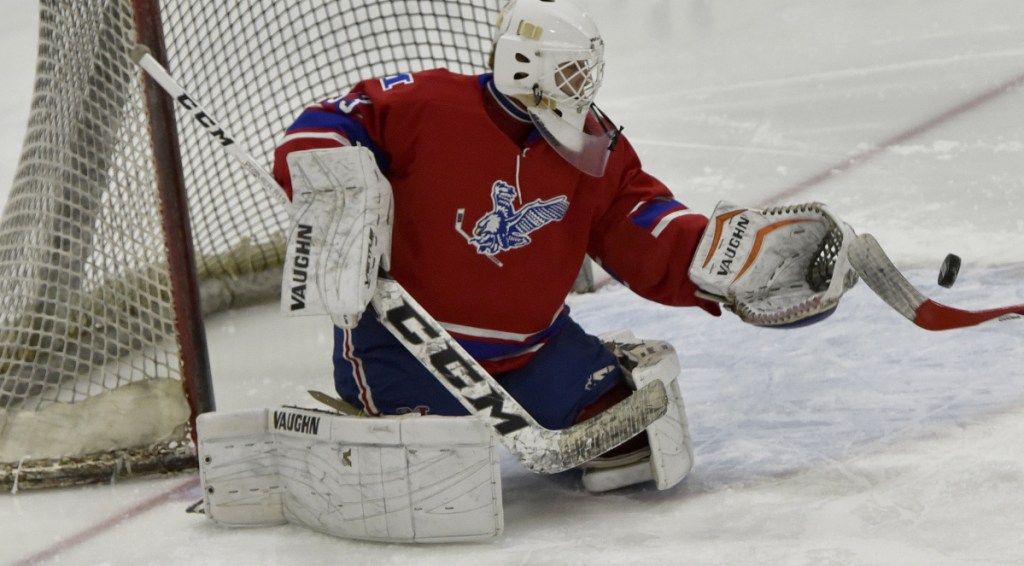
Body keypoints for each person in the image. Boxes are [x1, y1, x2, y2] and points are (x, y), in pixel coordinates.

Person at [272, 0, 853, 492]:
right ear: (525, 66)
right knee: (423, 469)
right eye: (573, 73)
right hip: (408, 347)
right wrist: (331, 175)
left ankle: (551, 388)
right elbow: (330, 122)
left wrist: (713, 260)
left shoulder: (592, 146)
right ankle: (388, 417)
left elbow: (635, 217)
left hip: (535, 351)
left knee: (630, 433)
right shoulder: (427, 104)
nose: (585, 87)